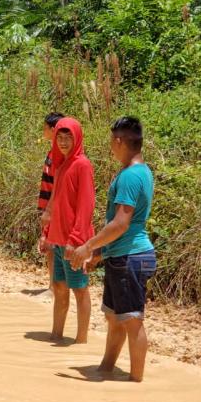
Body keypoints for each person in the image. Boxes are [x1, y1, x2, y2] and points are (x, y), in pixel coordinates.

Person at [68, 117, 156, 382]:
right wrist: (99, 254)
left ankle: (136, 381)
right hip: (123, 256)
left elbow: (120, 224)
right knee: (116, 319)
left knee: (131, 320)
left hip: (130, 256)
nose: (110, 146)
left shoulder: (130, 176)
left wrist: (87, 247)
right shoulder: (142, 171)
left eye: (111, 141)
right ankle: (106, 369)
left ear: (119, 141)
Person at [41, 117, 95, 344]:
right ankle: (56, 334)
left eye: (68, 138)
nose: (63, 142)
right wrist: (46, 231)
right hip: (58, 237)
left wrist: (77, 240)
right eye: (59, 138)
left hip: (75, 240)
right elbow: (55, 200)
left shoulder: (82, 165)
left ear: (77, 138)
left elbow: (86, 205)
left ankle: (81, 340)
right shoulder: (61, 164)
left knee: (79, 289)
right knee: (60, 288)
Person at [37, 112, 64, 289]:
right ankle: (53, 285)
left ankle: (54, 287)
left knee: (52, 246)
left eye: (45, 127)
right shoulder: (52, 152)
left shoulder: (59, 154)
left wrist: (49, 210)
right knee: (49, 245)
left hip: (52, 207)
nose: (43, 131)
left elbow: (58, 183)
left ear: (53, 130)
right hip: (48, 206)